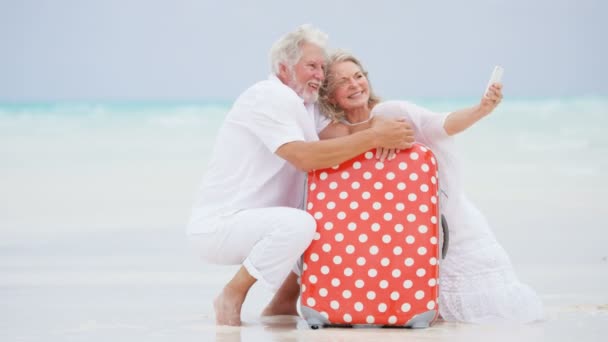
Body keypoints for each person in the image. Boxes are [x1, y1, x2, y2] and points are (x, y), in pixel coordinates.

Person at [186, 26, 415, 326]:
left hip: (257, 221)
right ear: (283, 67)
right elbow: (305, 157)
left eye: (322, 67)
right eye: (311, 66)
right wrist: (375, 137)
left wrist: (386, 127)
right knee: (300, 223)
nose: (320, 74)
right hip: (220, 225)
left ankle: (281, 304)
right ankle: (232, 295)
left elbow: (342, 134)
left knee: (327, 215)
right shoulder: (267, 96)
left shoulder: (305, 104)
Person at [316, 50, 544, 324]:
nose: (354, 84)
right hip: (399, 238)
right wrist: (376, 135)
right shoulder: (334, 133)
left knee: (481, 316)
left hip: (450, 225)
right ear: (329, 95)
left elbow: (441, 124)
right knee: (418, 316)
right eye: (343, 81)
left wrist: (480, 110)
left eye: (358, 76)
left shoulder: (393, 112)